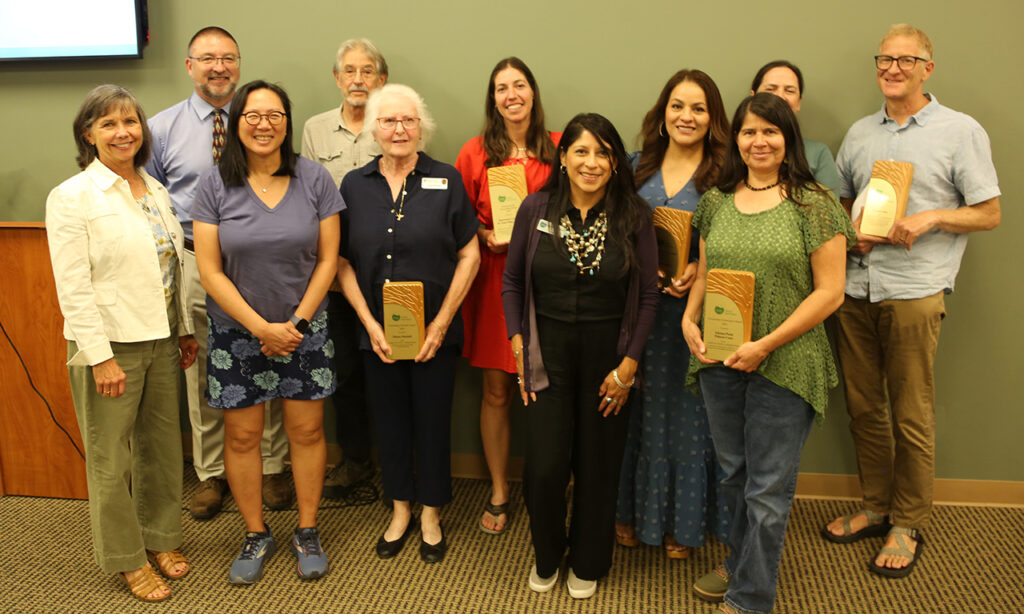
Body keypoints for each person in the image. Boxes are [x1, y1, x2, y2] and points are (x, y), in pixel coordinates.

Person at [823, 24, 1001, 579]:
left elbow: (989, 212)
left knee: (911, 413)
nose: (893, 68)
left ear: (928, 67)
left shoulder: (959, 131)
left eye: (906, 59)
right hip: (856, 288)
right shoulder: (859, 134)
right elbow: (846, 204)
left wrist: (931, 217)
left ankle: (908, 521)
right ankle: (876, 507)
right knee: (862, 408)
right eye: (884, 59)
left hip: (915, 290)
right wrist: (853, 230)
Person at [681, 93, 855, 614]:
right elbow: (708, 273)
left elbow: (831, 292)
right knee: (734, 474)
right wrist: (690, 318)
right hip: (720, 359)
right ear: (736, 139)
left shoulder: (814, 203)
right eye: (749, 132)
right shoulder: (716, 200)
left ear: (787, 140)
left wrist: (765, 345)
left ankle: (751, 597)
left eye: (770, 132)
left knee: (767, 489)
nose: (759, 141)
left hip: (786, 361)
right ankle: (738, 563)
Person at [46, 84, 197, 602]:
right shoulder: (72, 197)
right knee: (112, 459)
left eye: (130, 121)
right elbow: (74, 287)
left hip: (160, 339)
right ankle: (127, 559)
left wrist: (183, 330)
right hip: (110, 347)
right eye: (108, 123)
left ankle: (160, 537)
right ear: (88, 134)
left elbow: (168, 269)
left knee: (161, 449)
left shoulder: (154, 191)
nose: (122, 132)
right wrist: (100, 357)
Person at [192, 80, 343, 584]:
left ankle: (306, 528)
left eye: (274, 114)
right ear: (237, 124)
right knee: (242, 437)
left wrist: (295, 324)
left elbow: (328, 260)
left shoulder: (315, 178)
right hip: (237, 334)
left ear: (286, 121)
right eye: (252, 115)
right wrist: (261, 327)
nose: (263, 123)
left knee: (307, 432)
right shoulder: (214, 184)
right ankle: (255, 532)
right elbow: (210, 270)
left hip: (305, 330)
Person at [503, 113, 659, 599]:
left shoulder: (635, 214)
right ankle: (548, 554)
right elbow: (511, 283)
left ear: (615, 162)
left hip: (608, 358)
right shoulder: (534, 209)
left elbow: (649, 296)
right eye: (581, 151)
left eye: (603, 153)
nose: (592, 163)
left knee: (598, 465)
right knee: (544, 468)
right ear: (564, 158)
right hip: (545, 355)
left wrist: (629, 365)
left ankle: (589, 560)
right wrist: (516, 341)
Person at [146, 26, 292, 519]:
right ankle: (211, 473)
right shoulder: (161, 129)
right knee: (204, 370)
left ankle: (271, 464)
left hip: (257, 263)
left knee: (267, 357)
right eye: (207, 58)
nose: (218, 67)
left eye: (228, 58)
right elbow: (152, 203)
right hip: (193, 262)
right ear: (189, 66)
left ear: (239, 65)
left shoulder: (262, 123)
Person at [336, 84, 480, 564]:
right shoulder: (354, 186)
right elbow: (341, 263)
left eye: (409, 121)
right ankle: (400, 509)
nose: (399, 129)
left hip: (435, 334)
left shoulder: (448, 180)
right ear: (374, 128)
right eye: (389, 121)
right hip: (375, 335)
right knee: (391, 423)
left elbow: (469, 254)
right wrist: (367, 321)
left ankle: (431, 513)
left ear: (422, 127)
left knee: (434, 422)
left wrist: (441, 322)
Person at [614, 69, 731, 559]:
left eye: (699, 108)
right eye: (678, 106)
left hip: (694, 318)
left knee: (689, 419)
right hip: (636, 313)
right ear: (663, 112)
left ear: (712, 119)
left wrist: (697, 272)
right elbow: (611, 228)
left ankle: (680, 526)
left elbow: (734, 242)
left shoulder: (727, 175)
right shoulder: (635, 166)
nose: (687, 116)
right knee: (639, 415)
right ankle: (632, 514)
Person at [454, 57, 560, 535]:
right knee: (497, 390)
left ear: (533, 93)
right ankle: (499, 489)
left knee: (547, 392)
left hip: (551, 283)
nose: (511, 94)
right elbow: (457, 223)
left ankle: (547, 489)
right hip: (496, 281)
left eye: (519, 85)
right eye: (502, 87)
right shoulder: (474, 153)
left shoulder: (560, 148)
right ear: (493, 98)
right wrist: (483, 233)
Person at [301, 38, 389, 497]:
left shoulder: (395, 122)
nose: (358, 79)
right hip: (335, 277)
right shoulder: (315, 131)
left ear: (382, 79)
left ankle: (396, 463)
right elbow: (309, 202)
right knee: (345, 372)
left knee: (391, 366)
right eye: (349, 71)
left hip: (389, 275)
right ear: (337, 79)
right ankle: (356, 463)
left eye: (367, 70)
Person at [750, 60, 840, 194]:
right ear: (752, 98)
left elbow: (830, 210)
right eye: (770, 89)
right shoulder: (740, 148)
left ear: (799, 103)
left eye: (789, 91)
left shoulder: (818, 153)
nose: (780, 97)